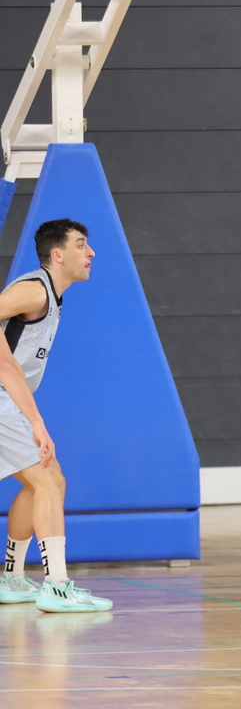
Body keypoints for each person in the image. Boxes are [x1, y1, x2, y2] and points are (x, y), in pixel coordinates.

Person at [0, 219, 112, 612]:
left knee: (43, 482)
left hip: (7, 398)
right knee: (49, 479)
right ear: (57, 255)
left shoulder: (50, 295)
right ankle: (57, 587)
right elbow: (7, 368)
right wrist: (37, 422)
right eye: (81, 244)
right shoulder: (34, 291)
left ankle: (12, 578)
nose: (91, 252)